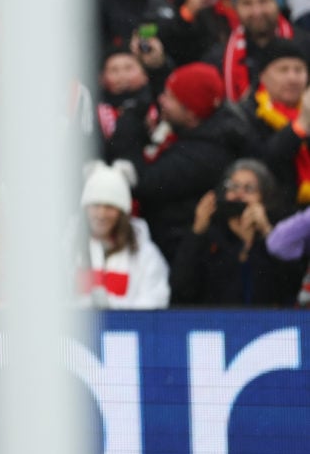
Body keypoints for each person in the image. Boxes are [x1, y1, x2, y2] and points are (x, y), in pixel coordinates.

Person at [111, 61, 249, 261]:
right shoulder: (199, 130)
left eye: (170, 97)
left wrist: (129, 124)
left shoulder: (204, 155)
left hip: (176, 251)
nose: (161, 101)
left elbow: (145, 183)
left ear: (191, 114)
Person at [171, 158, 302, 305]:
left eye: (249, 189)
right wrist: (197, 231)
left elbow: (291, 285)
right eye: (233, 187)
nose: (239, 194)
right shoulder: (211, 236)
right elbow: (180, 287)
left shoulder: (274, 237)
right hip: (213, 324)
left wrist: (267, 233)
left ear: (264, 197)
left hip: (267, 324)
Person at [75, 161, 170, 309]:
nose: (101, 214)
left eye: (109, 207)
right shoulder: (67, 250)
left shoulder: (145, 255)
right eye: (95, 205)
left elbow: (155, 301)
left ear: (122, 212)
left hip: (126, 331)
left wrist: (113, 312)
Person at [218, 0, 310, 102]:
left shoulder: (305, 45)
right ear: (236, 8)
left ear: (278, 3)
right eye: (247, 3)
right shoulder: (222, 54)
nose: (256, 11)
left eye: (263, 1)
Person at [241, 41, 310, 207]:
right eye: (283, 70)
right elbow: (262, 163)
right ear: (263, 75)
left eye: (298, 70)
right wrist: (300, 126)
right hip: (274, 208)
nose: (292, 78)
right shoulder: (247, 113)